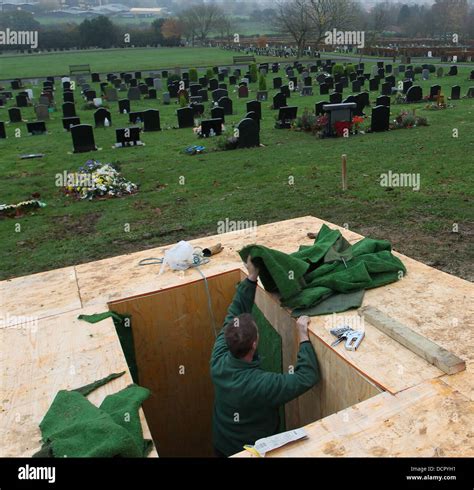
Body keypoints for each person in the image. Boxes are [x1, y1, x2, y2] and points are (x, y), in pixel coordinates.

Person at [210, 256, 320, 457]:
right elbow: (306, 377)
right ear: (254, 344)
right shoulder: (259, 384)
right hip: (251, 452)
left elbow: (235, 311)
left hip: (222, 446)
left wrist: (252, 277)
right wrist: (304, 337)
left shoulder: (219, 356)